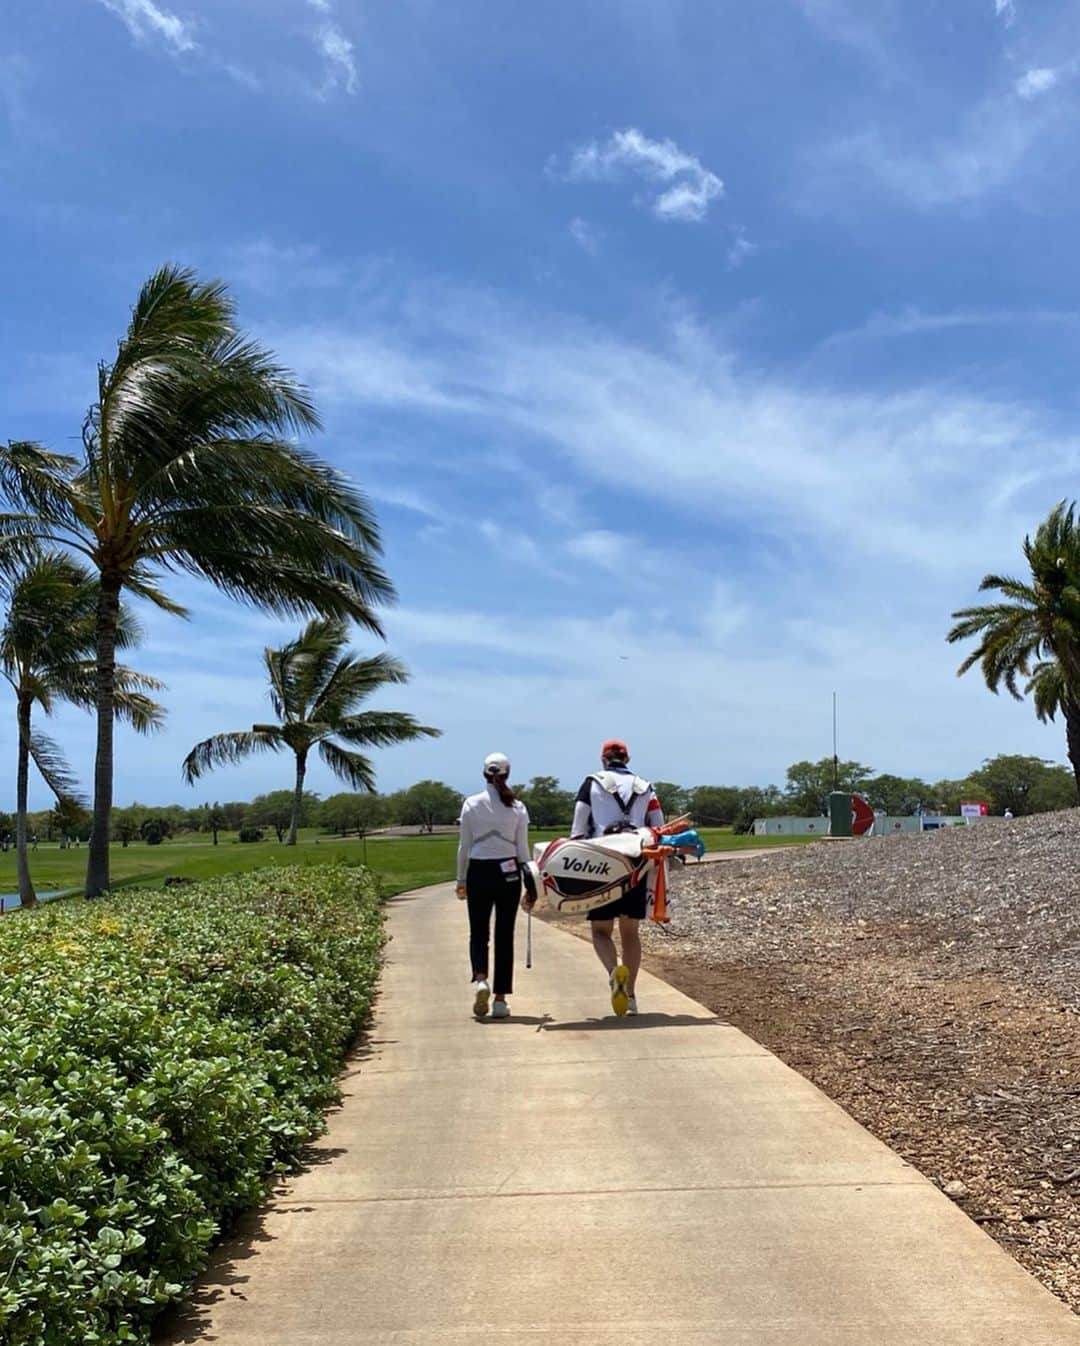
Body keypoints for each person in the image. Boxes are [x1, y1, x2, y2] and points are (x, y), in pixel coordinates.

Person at [571, 739, 663, 1017]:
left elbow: (578, 827)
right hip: (635, 859)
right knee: (630, 932)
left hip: (601, 860)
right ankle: (632, 995)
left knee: (600, 930)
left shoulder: (592, 783)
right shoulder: (645, 786)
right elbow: (658, 826)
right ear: (627, 758)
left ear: (603, 759)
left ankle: (614, 973)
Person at [456, 752, 531, 1020]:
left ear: (484, 774)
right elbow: (523, 850)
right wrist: (531, 880)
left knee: (478, 931)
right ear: (507, 774)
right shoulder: (517, 807)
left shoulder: (471, 804)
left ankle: (480, 979)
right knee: (504, 933)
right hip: (509, 871)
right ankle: (500, 999)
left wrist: (460, 879)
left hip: (478, 869)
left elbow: (464, 846)